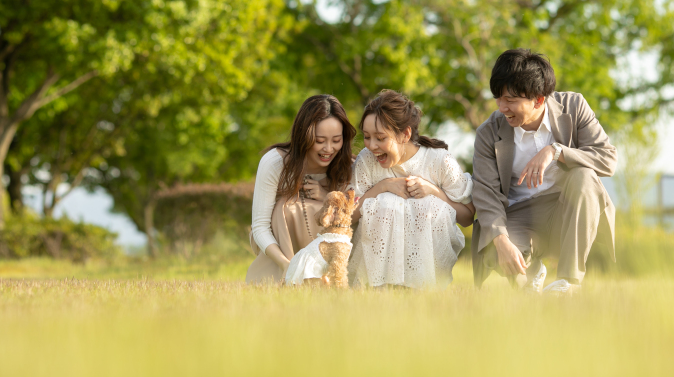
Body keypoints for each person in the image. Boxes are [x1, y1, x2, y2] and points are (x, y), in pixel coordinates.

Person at [470, 49, 617, 295]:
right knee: (497, 251)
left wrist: (556, 151)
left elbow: (607, 158)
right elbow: (486, 194)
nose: (501, 107)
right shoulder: (488, 132)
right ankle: (531, 273)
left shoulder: (574, 106)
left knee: (584, 176)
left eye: (510, 100)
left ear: (539, 99)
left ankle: (569, 283)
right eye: (498, 98)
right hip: (519, 214)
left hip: (566, 208)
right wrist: (501, 241)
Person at [347, 90, 475, 288]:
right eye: (366, 136)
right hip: (374, 276)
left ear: (405, 134)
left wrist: (434, 192)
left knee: (426, 204)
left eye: (380, 138)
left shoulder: (439, 161)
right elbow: (348, 216)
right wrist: (382, 187)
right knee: (386, 202)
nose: (372, 146)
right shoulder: (366, 160)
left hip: (428, 272)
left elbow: (467, 218)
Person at [245, 95, 356, 284]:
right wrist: (287, 266)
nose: (329, 149)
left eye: (336, 140)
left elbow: (353, 218)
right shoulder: (275, 163)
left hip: (329, 253)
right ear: (304, 136)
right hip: (281, 250)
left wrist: (325, 197)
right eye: (320, 141)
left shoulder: (348, 166)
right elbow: (260, 226)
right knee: (287, 206)